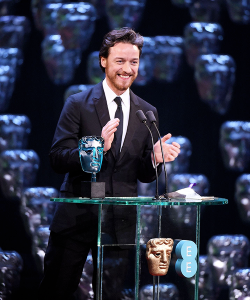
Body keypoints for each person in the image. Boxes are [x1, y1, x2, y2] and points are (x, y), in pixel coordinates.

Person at [38, 27, 180, 300]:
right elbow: (57, 157)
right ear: (103, 60)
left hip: (119, 223)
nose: (127, 69)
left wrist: (154, 159)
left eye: (134, 62)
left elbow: (143, 174)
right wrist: (95, 149)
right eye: (120, 61)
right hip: (77, 219)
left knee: (111, 295)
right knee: (56, 291)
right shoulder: (78, 104)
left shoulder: (147, 112)